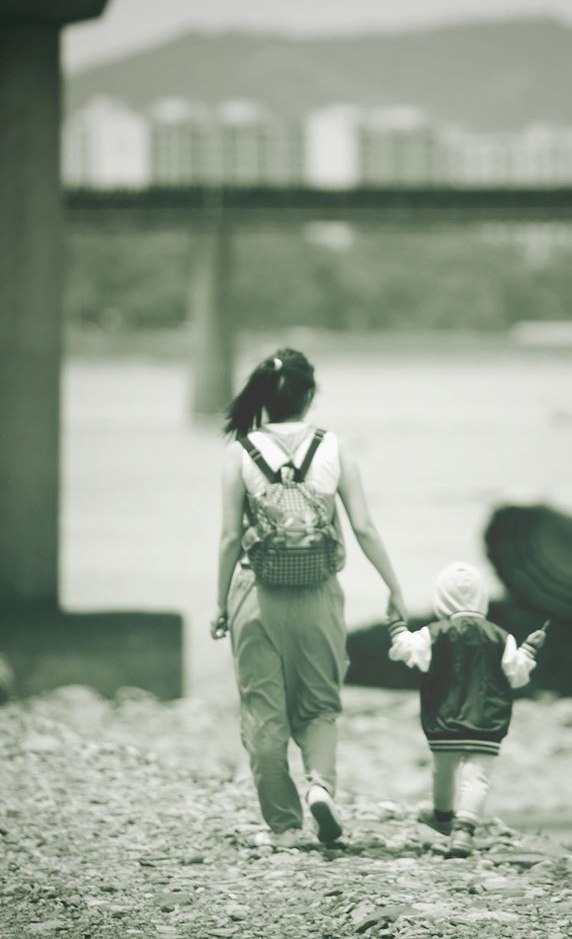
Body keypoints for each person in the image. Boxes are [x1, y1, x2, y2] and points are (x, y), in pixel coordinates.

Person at [211, 347, 408, 849]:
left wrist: (218, 603)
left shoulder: (241, 452)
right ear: (310, 396)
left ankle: (285, 827)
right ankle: (320, 785)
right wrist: (393, 587)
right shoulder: (334, 448)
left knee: (263, 711)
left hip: (257, 593)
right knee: (319, 706)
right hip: (319, 594)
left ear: (263, 397)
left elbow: (230, 539)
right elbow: (363, 526)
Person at [387, 561, 547, 857]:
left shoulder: (434, 633)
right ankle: (465, 830)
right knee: (477, 779)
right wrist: (529, 648)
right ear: (482, 599)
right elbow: (517, 674)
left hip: (444, 721)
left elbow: (406, 650)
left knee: (443, 772)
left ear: (441, 600)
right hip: (487, 723)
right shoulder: (501, 636)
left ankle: (443, 817)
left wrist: (396, 625)